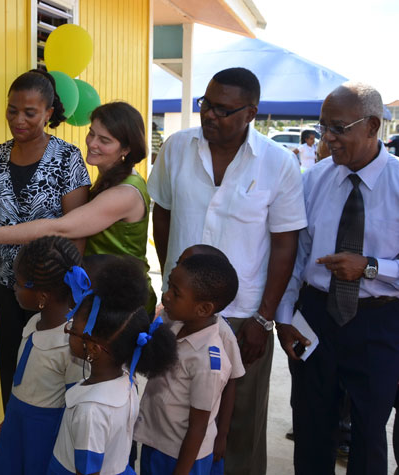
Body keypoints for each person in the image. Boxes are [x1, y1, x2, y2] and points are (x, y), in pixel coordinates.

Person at [148, 67, 307, 474]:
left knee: (238, 427)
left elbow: (285, 243)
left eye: (223, 109)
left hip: (243, 318)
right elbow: (162, 214)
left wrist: (263, 317)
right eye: (206, 104)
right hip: (180, 315)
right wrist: (173, 283)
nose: (210, 115)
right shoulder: (177, 148)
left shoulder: (277, 163)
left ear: (251, 112)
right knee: (171, 416)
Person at [275, 82, 399, 475]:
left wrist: (370, 267)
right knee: (311, 431)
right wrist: (283, 317)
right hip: (315, 317)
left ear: (373, 126)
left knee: (368, 435)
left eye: (339, 128)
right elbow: (297, 255)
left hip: (378, 322)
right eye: (324, 126)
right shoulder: (314, 180)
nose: (327, 137)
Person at [0, 101, 158, 314]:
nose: (92, 143)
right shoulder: (109, 177)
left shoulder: (125, 193)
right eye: (91, 133)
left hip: (122, 303)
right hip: (100, 294)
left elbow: (60, 228)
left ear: (127, 148)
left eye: (104, 140)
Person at [0, 69, 91, 408]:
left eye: (29, 112)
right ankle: (16, 441)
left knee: (49, 373)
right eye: (12, 110)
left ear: (49, 114)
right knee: (12, 368)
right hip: (7, 285)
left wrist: (63, 294)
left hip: (52, 292)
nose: (17, 119)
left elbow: (76, 233)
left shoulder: (67, 159)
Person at [47, 254, 177, 475]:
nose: (67, 331)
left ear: (94, 349)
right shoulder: (126, 382)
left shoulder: (91, 410)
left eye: (73, 331)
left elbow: (88, 471)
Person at [136, 253, 240, 475]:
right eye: (169, 286)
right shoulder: (173, 324)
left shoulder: (208, 361)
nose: (167, 295)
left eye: (176, 292)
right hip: (156, 440)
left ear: (203, 309)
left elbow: (198, 426)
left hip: (182, 456)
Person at [0, 236, 85, 474]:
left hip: (43, 432)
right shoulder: (34, 321)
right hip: (16, 419)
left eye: (20, 283)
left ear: (42, 297)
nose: (13, 286)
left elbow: (75, 405)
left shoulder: (71, 343)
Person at [173, 245, 246, 475]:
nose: (177, 270)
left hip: (198, 438)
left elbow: (231, 381)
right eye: (179, 263)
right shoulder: (175, 319)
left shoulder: (221, 333)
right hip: (171, 434)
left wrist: (222, 434)